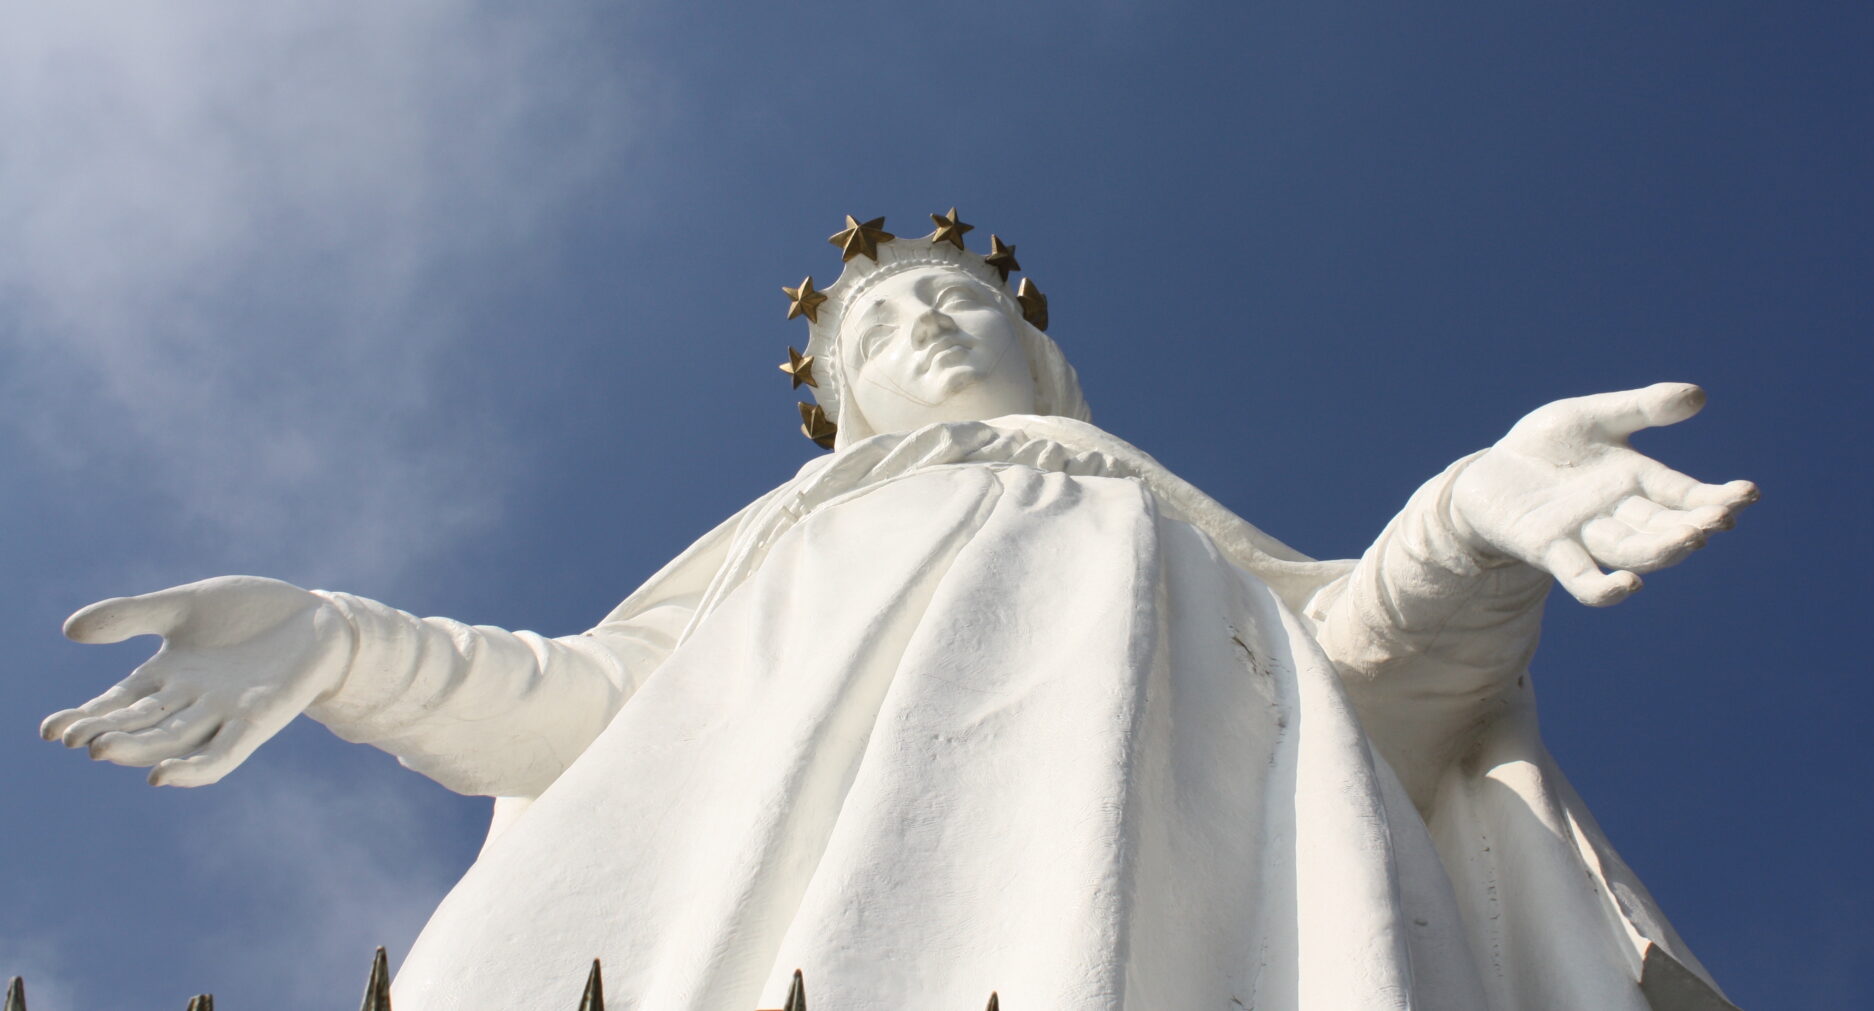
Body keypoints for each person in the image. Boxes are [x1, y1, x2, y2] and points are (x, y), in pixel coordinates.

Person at [41, 212, 1757, 1011]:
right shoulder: (778, 557)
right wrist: (339, 643)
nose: (925, 329)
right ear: (847, 405)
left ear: (1051, 363)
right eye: (881, 331)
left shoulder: (1183, 550)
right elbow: (573, 716)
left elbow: (1379, 705)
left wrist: (1467, 522)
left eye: (957, 303)